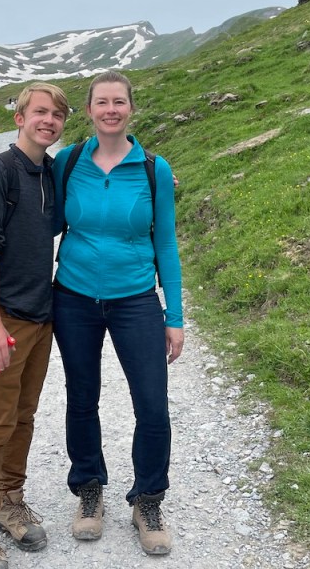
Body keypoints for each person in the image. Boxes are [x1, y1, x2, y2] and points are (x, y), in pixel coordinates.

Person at [52, 70, 184, 556]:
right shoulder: (67, 162)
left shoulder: (154, 169)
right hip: (73, 297)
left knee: (152, 404)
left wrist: (175, 315)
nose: (111, 110)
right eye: (102, 102)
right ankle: (89, 489)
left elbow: (165, 243)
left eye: (119, 102)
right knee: (81, 397)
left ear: (131, 108)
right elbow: (42, 220)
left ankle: (147, 500)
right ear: (89, 110)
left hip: (135, 299)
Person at [0, 82, 68, 569]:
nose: (49, 120)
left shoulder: (50, 172)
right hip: (3, 318)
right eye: (40, 112)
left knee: (24, 416)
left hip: (41, 316)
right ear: (20, 118)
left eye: (57, 115)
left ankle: (10, 501)